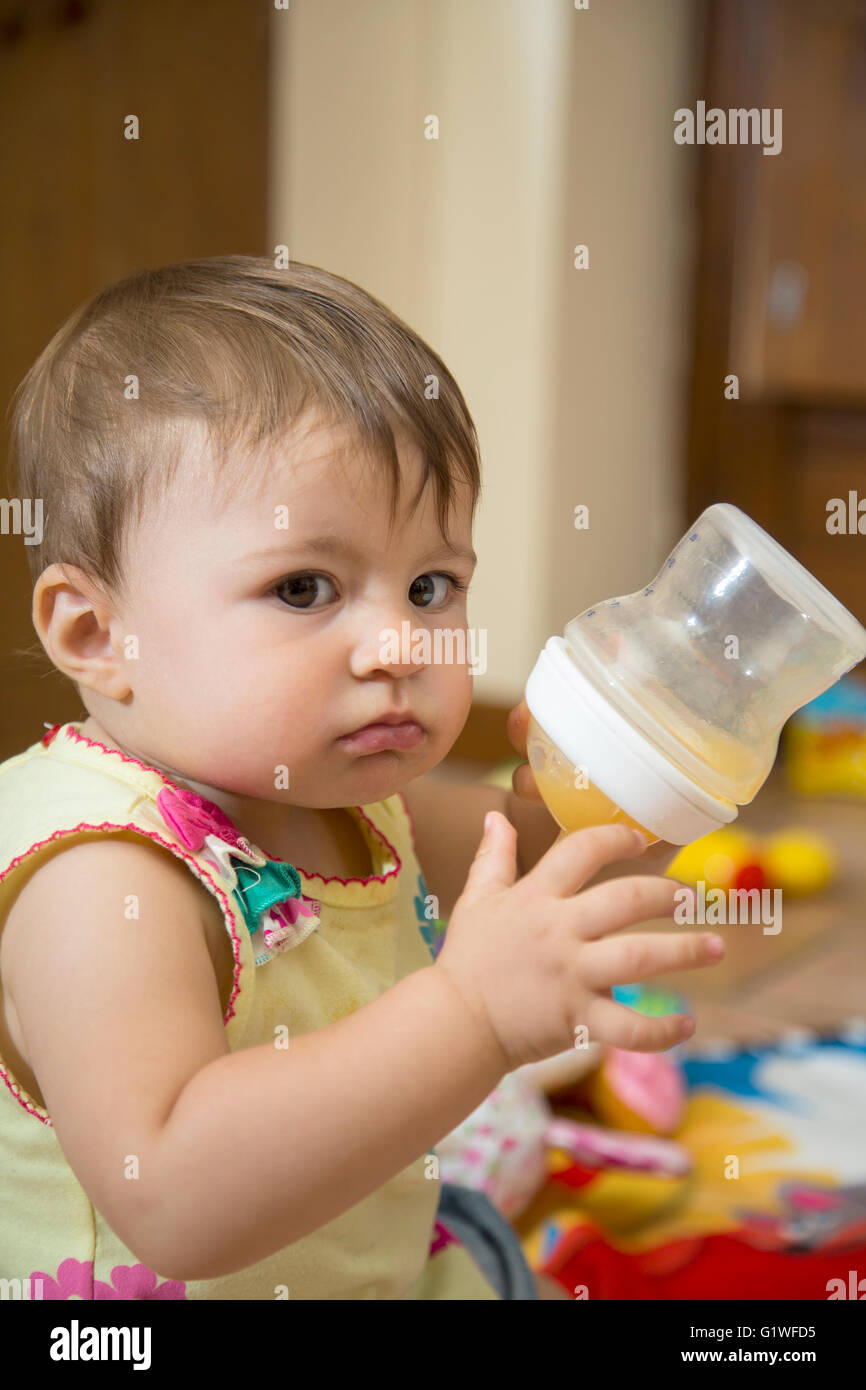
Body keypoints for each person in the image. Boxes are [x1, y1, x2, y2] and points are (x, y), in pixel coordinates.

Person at [0, 256, 721, 1300]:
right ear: (97, 631)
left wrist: (617, 778)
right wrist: (473, 1013)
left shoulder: (353, 805)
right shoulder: (103, 879)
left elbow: (527, 856)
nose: (399, 644)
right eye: (303, 587)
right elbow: (171, 1199)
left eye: (430, 586)